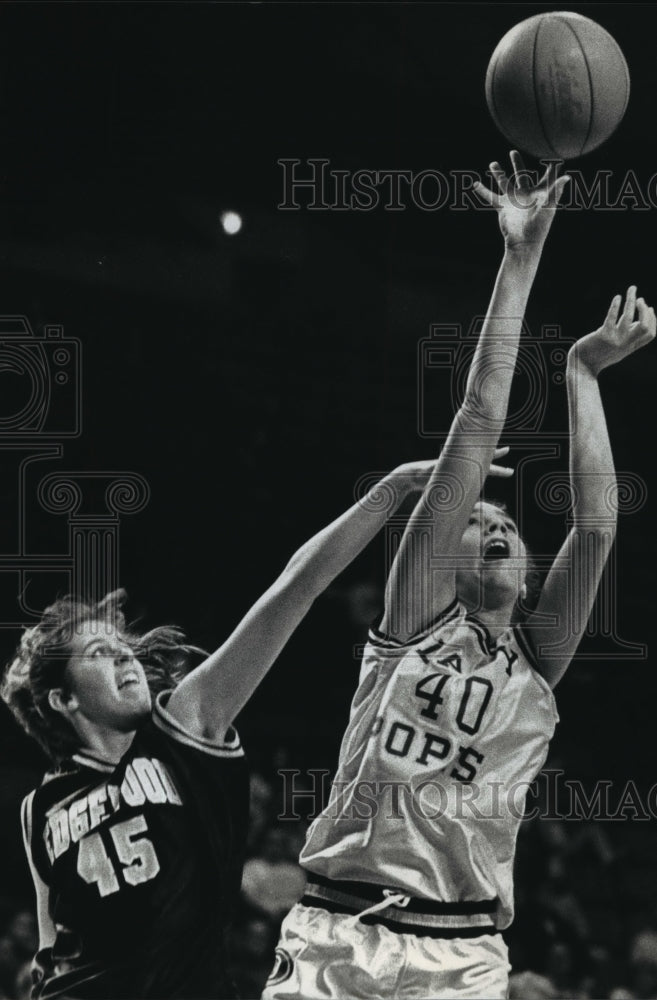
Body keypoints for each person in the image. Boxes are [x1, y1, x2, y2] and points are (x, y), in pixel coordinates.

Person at [262, 151, 656, 1000]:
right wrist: (519, 258)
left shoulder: (536, 660)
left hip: (462, 948)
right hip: (340, 928)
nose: (492, 524)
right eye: (476, 519)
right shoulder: (414, 617)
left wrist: (582, 374)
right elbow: (479, 417)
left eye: (505, 524)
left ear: (524, 566)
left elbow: (596, 524)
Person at [0, 452, 510, 1000]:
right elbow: (49, 946)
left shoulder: (185, 726)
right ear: (62, 699)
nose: (127, 659)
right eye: (101, 653)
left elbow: (297, 586)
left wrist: (389, 489)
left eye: (125, 648)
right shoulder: (38, 809)